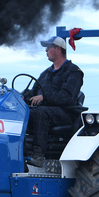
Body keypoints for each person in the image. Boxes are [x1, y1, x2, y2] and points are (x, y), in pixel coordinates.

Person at [24, 35, 84, 167]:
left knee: (41, 112)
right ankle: (21, 153)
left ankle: (38, 156)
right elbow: (33, 93)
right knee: (21, 113)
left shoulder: (74, 72)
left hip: (65, 114)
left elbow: (67, 97)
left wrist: (44, 98)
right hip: (45, 111)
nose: (46, 50)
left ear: (58, 49)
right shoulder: (45, 74)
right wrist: (22, 97)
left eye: (48, 48)